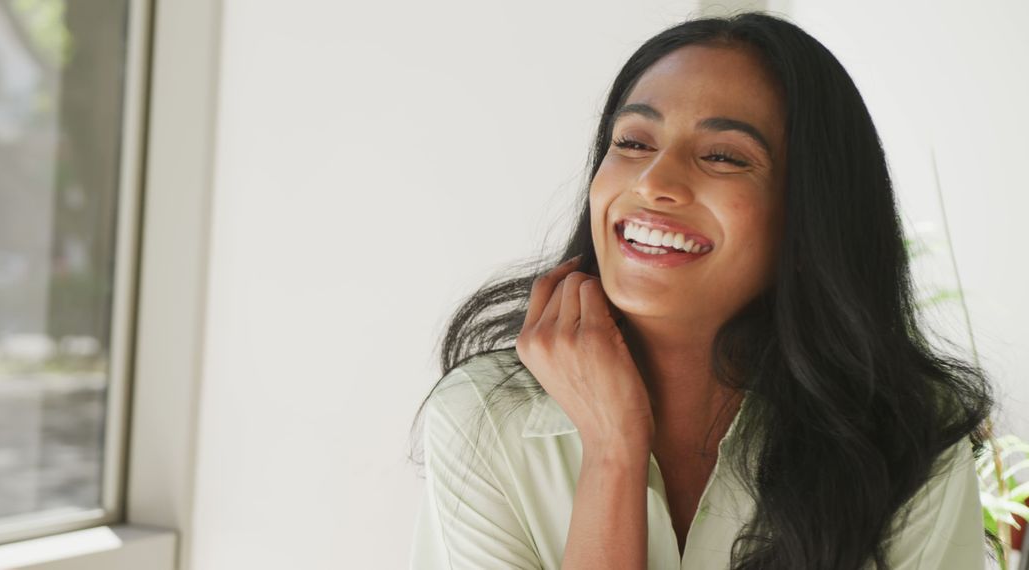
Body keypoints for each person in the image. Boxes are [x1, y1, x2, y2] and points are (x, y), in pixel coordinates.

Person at [407, 10, 996, 570]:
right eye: (633, 142)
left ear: (811, 216)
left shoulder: (906, 436)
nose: (653, 181)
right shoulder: (483, 417)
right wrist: (613, 451)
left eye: (722, 156)